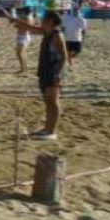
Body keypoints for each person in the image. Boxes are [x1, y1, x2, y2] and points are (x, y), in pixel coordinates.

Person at [11, 10, 68, 141]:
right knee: (48, 101)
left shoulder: (56, 35)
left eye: (44, 19)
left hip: (54, 71)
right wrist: (12, 18)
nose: (41, 20)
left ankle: (51, 131)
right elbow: (29, 27)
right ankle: (47, 128)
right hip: (45, 71)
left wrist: (58, 74)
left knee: (53, 102)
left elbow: (64, 56)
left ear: (50, 21)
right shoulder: (46, 32)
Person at [13, 7, 34, 74]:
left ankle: (23, 69)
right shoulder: (26, 17)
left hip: (24, 37)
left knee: (20, 53)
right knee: (20, 53)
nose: (21, 13)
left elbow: (24, 25)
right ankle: (24, 68)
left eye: (22, 11)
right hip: (21, 36)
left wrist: (18, 22)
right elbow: (18, 25)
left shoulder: (27, 18)